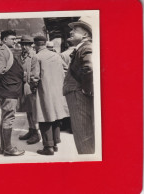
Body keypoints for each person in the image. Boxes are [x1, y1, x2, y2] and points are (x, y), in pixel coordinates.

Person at [30, 36, 70, 155]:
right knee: (56, 116)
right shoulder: (56, 56)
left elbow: (34, 77)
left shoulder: (37, 57)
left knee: (45, 117)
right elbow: (66, 68)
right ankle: (55, 143)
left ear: (36, 45)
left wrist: (33, 90)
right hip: (57, 91)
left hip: (44, 92)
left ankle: (48, 147)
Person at [63, 18, 94, 154]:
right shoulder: (83, 47)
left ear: (85, 35)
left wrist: (86, 89)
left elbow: (89, 68)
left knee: (83, 135)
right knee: (83, 133)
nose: (70, 32)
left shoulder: (86, 47)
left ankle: (88, 166)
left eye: (75, 30)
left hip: (78, 96)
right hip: (77, 94)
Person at [0, 30, 25, 156]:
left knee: (5, 117)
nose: (15, 41)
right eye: (12, 38)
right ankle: (8, 148)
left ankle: (3, 147)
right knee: (8, 118)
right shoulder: (2, 51)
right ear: (4, 39)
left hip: (9, 89)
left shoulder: (6, 50)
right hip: (8, 90)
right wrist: (1, 86)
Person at [16, 35, 41, 144]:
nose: (24, 47)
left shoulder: (34, 57)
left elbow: (35, 75)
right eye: (22, 45)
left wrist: (25, 75)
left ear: (31, 46)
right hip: (23, 87)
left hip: (30, 87)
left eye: (26, 45)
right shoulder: (20, 57)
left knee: (33, 111)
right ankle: (31, 130)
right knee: (27, 110)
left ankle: (36, 133)